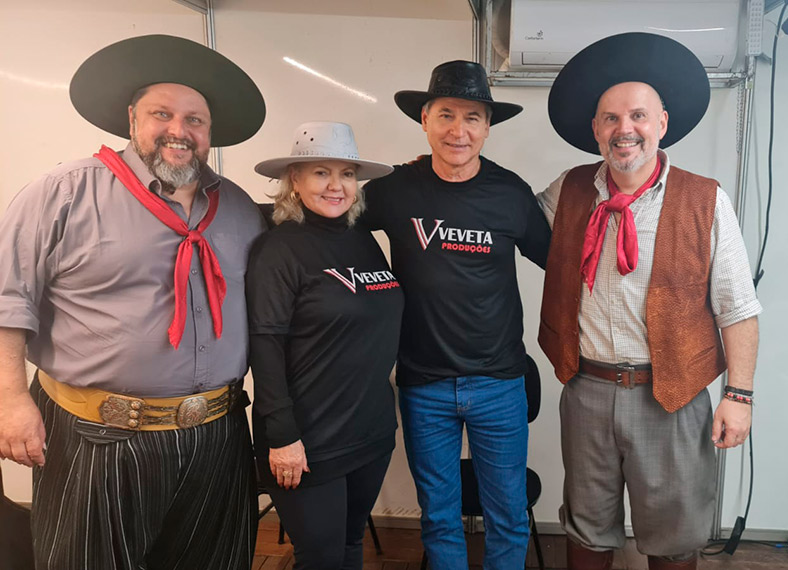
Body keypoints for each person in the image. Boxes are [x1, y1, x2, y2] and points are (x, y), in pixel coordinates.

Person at [0, 34, 266, 569]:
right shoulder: (64, 193)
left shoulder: (239, 209)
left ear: (209, 132)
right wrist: (10, 401)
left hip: (218, 436)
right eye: (161, 114)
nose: (178, 130)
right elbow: (9, 300)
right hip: (97, 438)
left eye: (195, 120)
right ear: (131, 119)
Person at [538, 33, 762, 570]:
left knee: (675, 533)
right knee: (586, 527)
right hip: (587, 388)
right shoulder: (567, 191)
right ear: (596, 129)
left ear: (661, 123)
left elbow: (737, 307)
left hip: (672, 396)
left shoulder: (705, 199)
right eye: (611, 118)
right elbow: (504, 219)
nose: (625, 129)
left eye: (638, 116)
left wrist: (739, 395)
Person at [360, 61, 551, 569]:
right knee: (439, 517)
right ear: (424, 119)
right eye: (446, 114)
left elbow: (561, 261)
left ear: (487, 127)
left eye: (472, 117)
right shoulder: (393, 188)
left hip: (499, 383)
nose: (458, 131)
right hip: (423, 383)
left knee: (507, 515)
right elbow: (332, 224)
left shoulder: (510, 193)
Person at [246, 121, 402, 570]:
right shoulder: (278, 249)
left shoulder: (363, 240)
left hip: (370, 430)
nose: (337, 185)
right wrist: (283, 437)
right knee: (321, 558)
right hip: (307, 439)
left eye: (347, 174)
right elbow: (265, 344)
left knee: (351, 544)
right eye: (321, 172)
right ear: (294, 180)